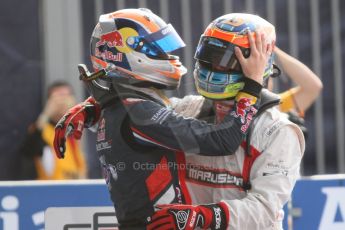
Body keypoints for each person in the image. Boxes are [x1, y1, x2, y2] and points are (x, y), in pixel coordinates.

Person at [53, 9, 271, 229]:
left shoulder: (118, 107)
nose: (168, 58)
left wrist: (92, 107)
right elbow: (223, 140)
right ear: (124, 54)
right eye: (157, 51)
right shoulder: (138, 113)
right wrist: (253, 86)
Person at [146, 13, 305, 230]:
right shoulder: (187, 108)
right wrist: (101, 105)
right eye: (210, 59)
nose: (215, 69)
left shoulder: (278, 131)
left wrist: (203, 216)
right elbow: (141, 115)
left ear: (258, 65)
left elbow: (264, 208)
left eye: (227, 63)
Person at [20, 81, 87, 180]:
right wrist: (46, 113)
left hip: (75, 189)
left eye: (66, 97)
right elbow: (28, 149)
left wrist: (74, 111)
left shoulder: (73, 130)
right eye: (57, 98)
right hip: (50, 190)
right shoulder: (42, 129)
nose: (62, 102)